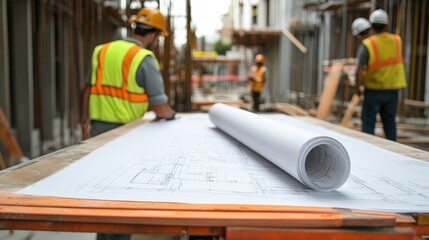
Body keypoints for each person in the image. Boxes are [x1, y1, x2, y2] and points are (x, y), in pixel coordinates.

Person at [80, 8, 175, 240]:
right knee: (122, 201)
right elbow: (160, 108)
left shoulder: (100, 51)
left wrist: (84, 122)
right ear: (153, 34)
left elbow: (88, 89)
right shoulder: (143, 58)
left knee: (104, 195)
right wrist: (171, 115)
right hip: (127, 136)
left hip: (97, 131)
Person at [354, 9, 407, 141]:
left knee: (368, 123)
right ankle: (393, 153)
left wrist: (358, 89)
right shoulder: (397, 40)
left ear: (371, 26)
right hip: (392, 90)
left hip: (373, 90)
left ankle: (367, 152)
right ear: (386, 25)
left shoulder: (368, 44)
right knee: (389, 123)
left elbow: (359, 70)